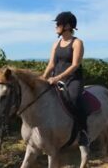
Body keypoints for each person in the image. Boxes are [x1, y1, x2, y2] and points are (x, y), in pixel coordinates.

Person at [42, 11, 88, 144]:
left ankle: (83, 132)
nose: (56, 26)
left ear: (67, 26)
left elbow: (75, 65)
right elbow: (51, 64)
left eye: (58, 24)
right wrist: (43, 77)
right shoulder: (55, 44)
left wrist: (58, 78)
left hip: (72, 80)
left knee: (74, 99)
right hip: (55, 79)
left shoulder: (77, 43)